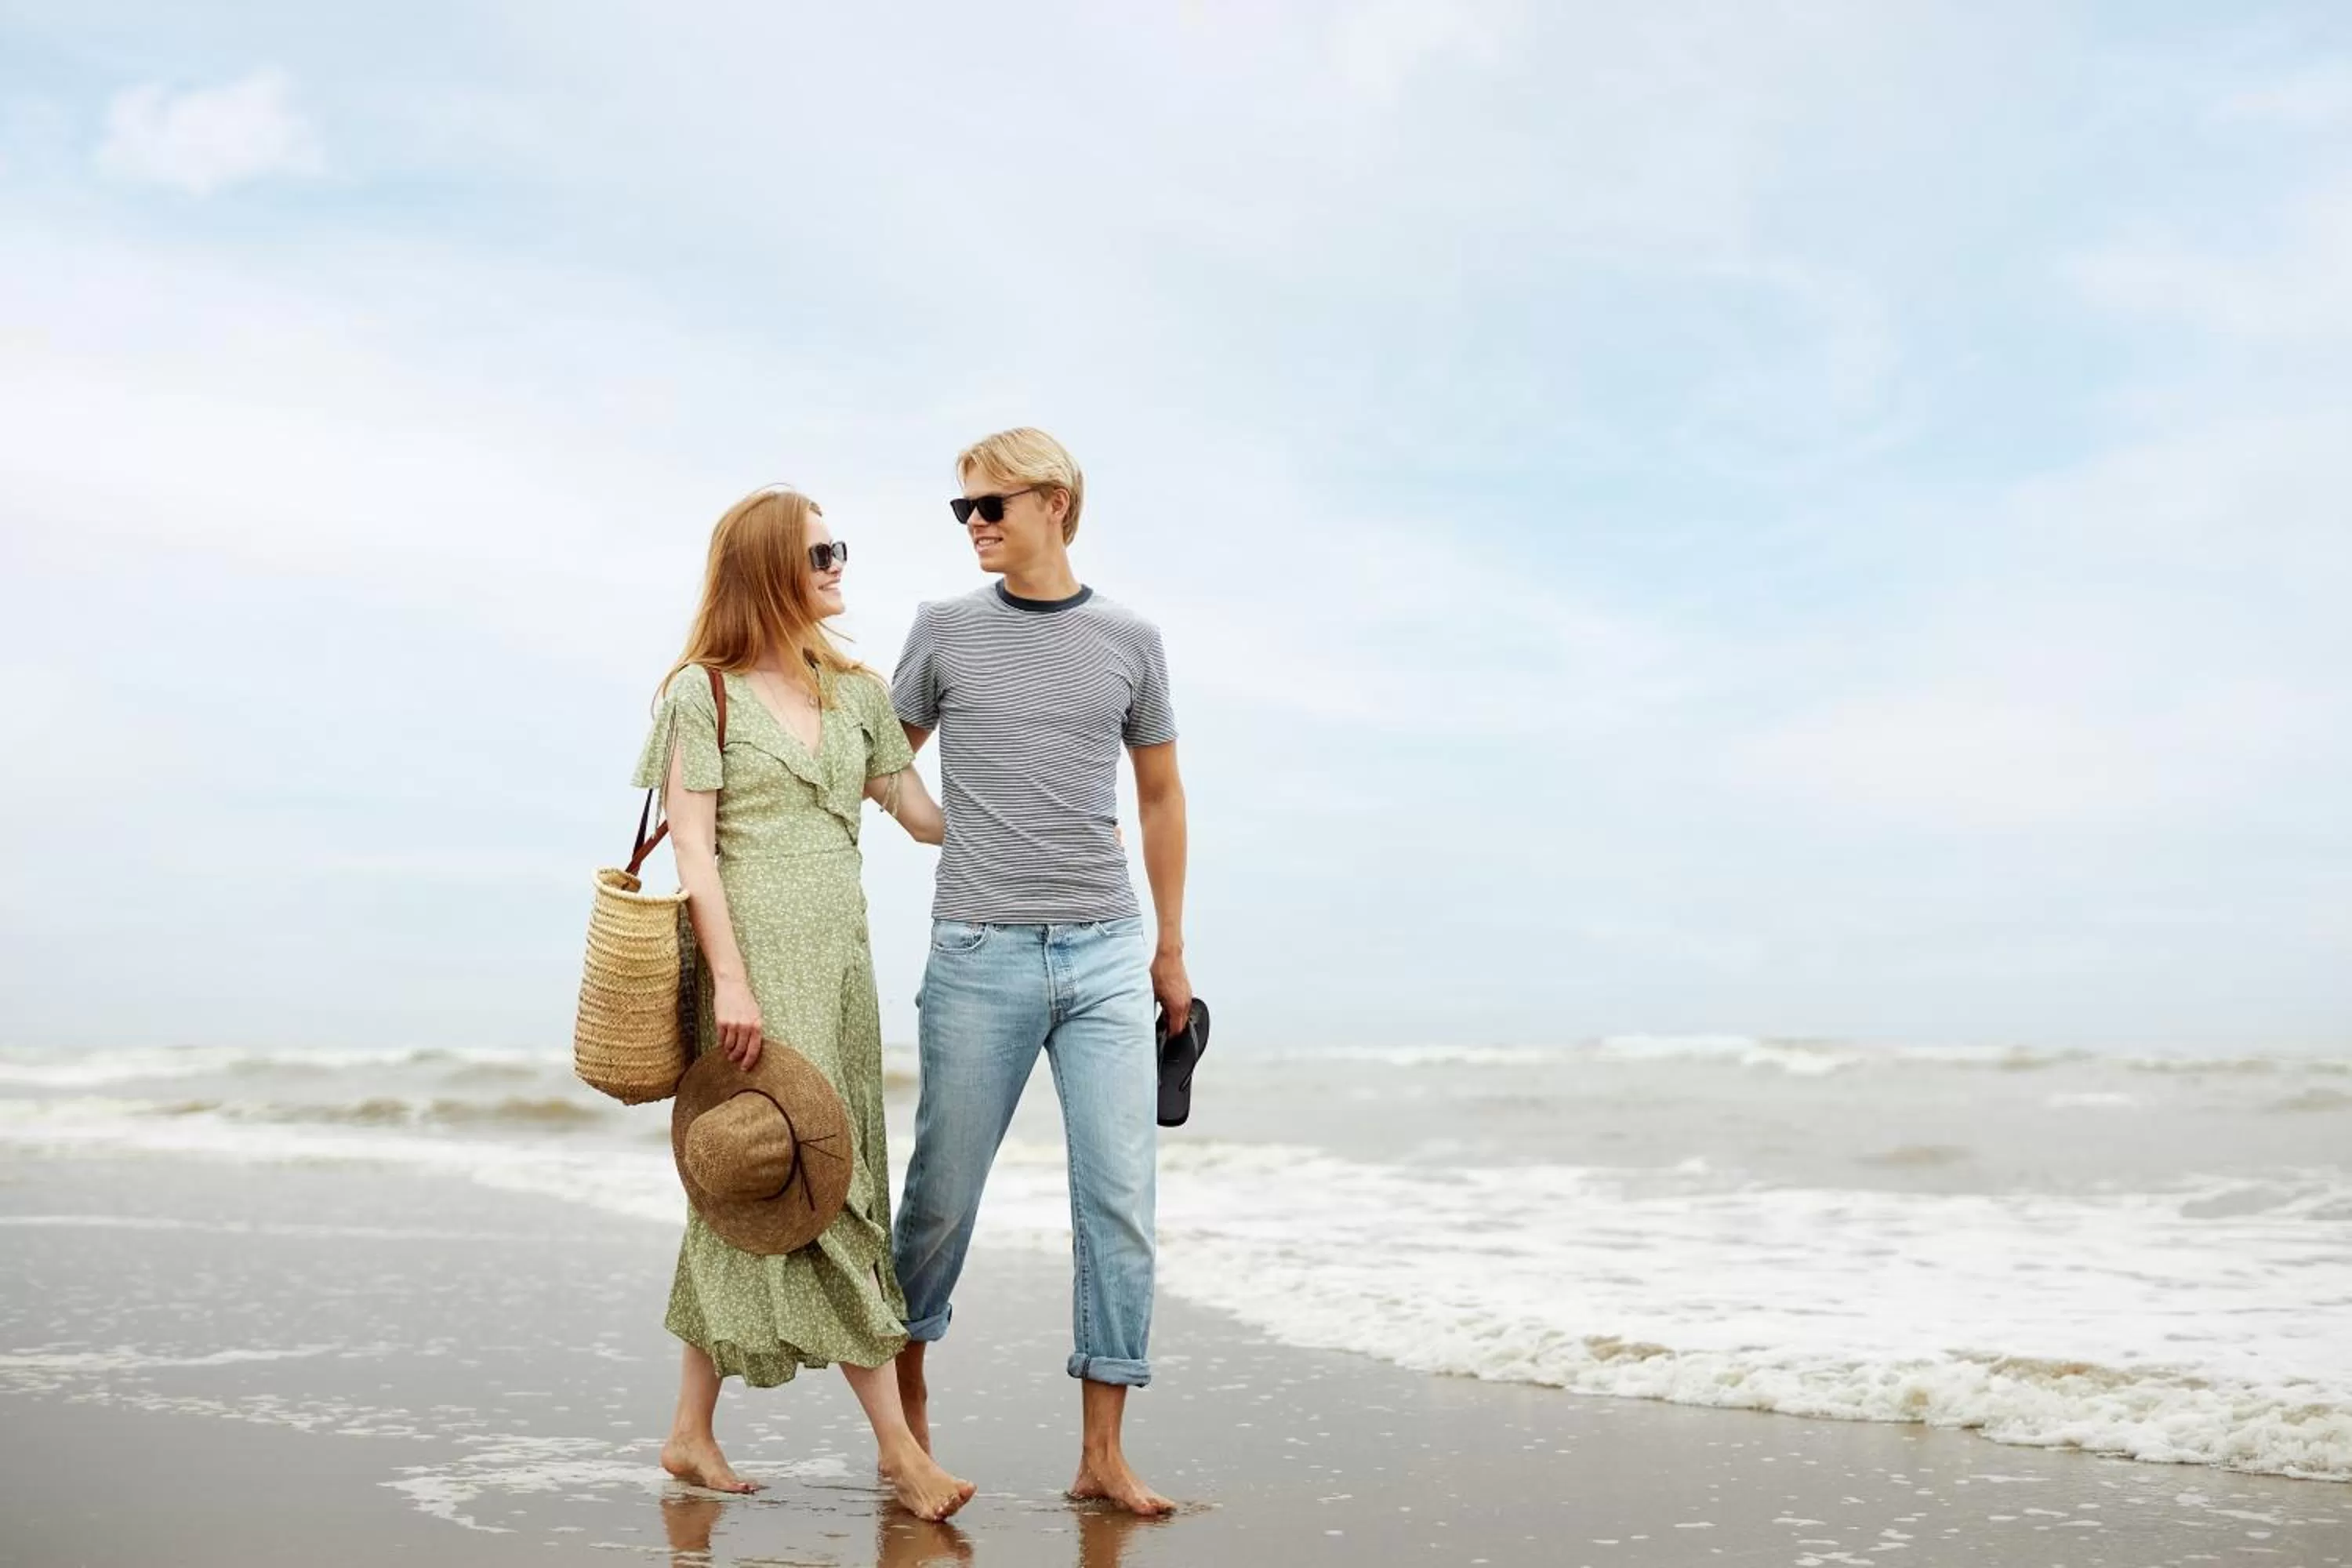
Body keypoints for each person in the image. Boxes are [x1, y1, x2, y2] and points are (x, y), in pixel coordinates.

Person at [635, 485, 975, 1522]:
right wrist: (732, 980)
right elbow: (694, 850)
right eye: (820, 553)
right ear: (770, 569)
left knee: (753, 1178)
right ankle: (902, 1454)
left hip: (839, 970)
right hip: (754, 971)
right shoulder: (701, 693)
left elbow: (920, 816)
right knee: (819, 1184)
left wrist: (1031, 815)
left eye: (839, 550)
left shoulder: (858, 693)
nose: (838, 567)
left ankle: (689, 1432)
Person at [888, 429, 1192, 1516]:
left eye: (991, 505)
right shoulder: (942, 630)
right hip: (979, 951)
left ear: (1054, 503)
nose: (973, 524)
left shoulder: (1131, 639)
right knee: (941, 1197)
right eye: (962, 509)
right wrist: (939, 826)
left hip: (1107, 951)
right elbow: (880, 761)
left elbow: (1160, 795)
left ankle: (1103, 1454)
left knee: (1120, 1200)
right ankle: (905, 1425)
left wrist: (1168, 948)